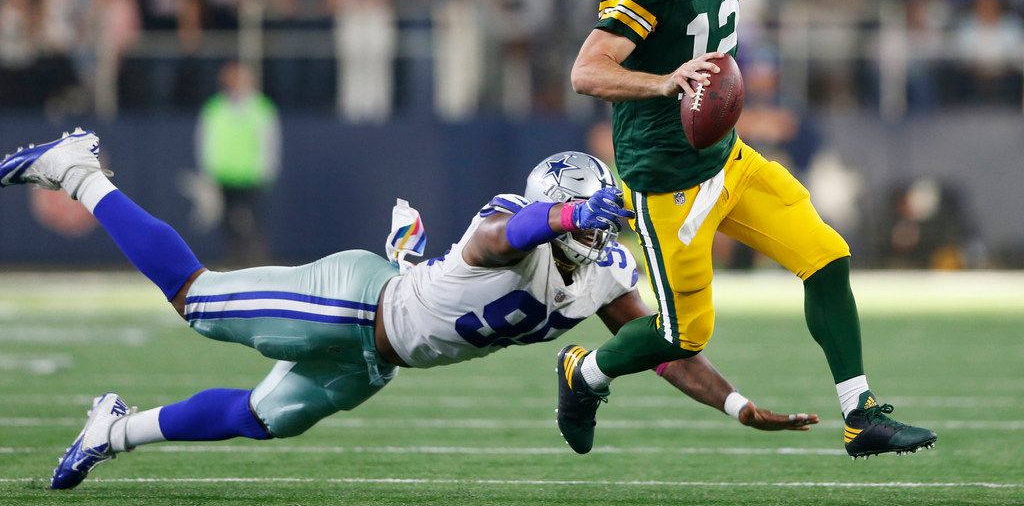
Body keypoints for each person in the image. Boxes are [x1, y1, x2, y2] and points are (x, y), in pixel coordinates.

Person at [0, 131, 818, 490]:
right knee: (199, 302)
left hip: (379, 359)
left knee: (262, 419)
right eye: (580, 225)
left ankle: (110, 428)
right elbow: (509, 232)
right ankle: (79, 171)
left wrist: (739, 405)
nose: (587, 243)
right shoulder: (517, 224)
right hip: (350, 304)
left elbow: (662, 348)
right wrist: (570, 216)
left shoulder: (600, 271)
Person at [561, 0, 936, 458]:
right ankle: (584, 373)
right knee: (683, 336)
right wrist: (663, 82)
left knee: (827, 256)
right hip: (667, 182)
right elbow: (586, 70)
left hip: (727, 159)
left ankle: (859, 415)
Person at [196, 61, 281, 265]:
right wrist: (208, 171)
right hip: (224, 175)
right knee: (228, 225)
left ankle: (258, 263)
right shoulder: (214, 108)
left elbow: (269, 141)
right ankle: (234, 263)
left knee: (253, 224)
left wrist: (267, 169)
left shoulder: (261, 108)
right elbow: (205, 141)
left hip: (250, 176)